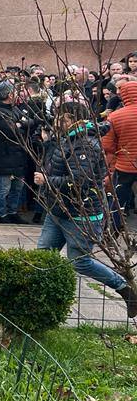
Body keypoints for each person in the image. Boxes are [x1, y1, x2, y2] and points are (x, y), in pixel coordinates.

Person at [35, 101, 137, 318]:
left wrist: (47, 180)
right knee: (43, 256)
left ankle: (125, 290)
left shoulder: (85, 145)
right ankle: (43, 302)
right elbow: (58, 162)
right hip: (58, 209)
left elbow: (81, 181)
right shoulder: (68, 139)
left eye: (59, 117)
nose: (55, 121)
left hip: (81, 214)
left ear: (71, 118)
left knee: (80, 262)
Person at [0, 82, 30, 223]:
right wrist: (22, 124)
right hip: (4, 155)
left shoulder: (14, 108)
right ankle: (1, 214)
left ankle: (13, 212)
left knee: (18, 186)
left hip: (18, 154)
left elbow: (29, 121)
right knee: (4, 187)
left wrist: (21, 124)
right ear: (10, 95)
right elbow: (10, 131)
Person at [103, 80, 137, 230]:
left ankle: (113, 231)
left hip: (125, 165)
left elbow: (107, 145)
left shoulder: (115, 116)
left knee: (118, 200)